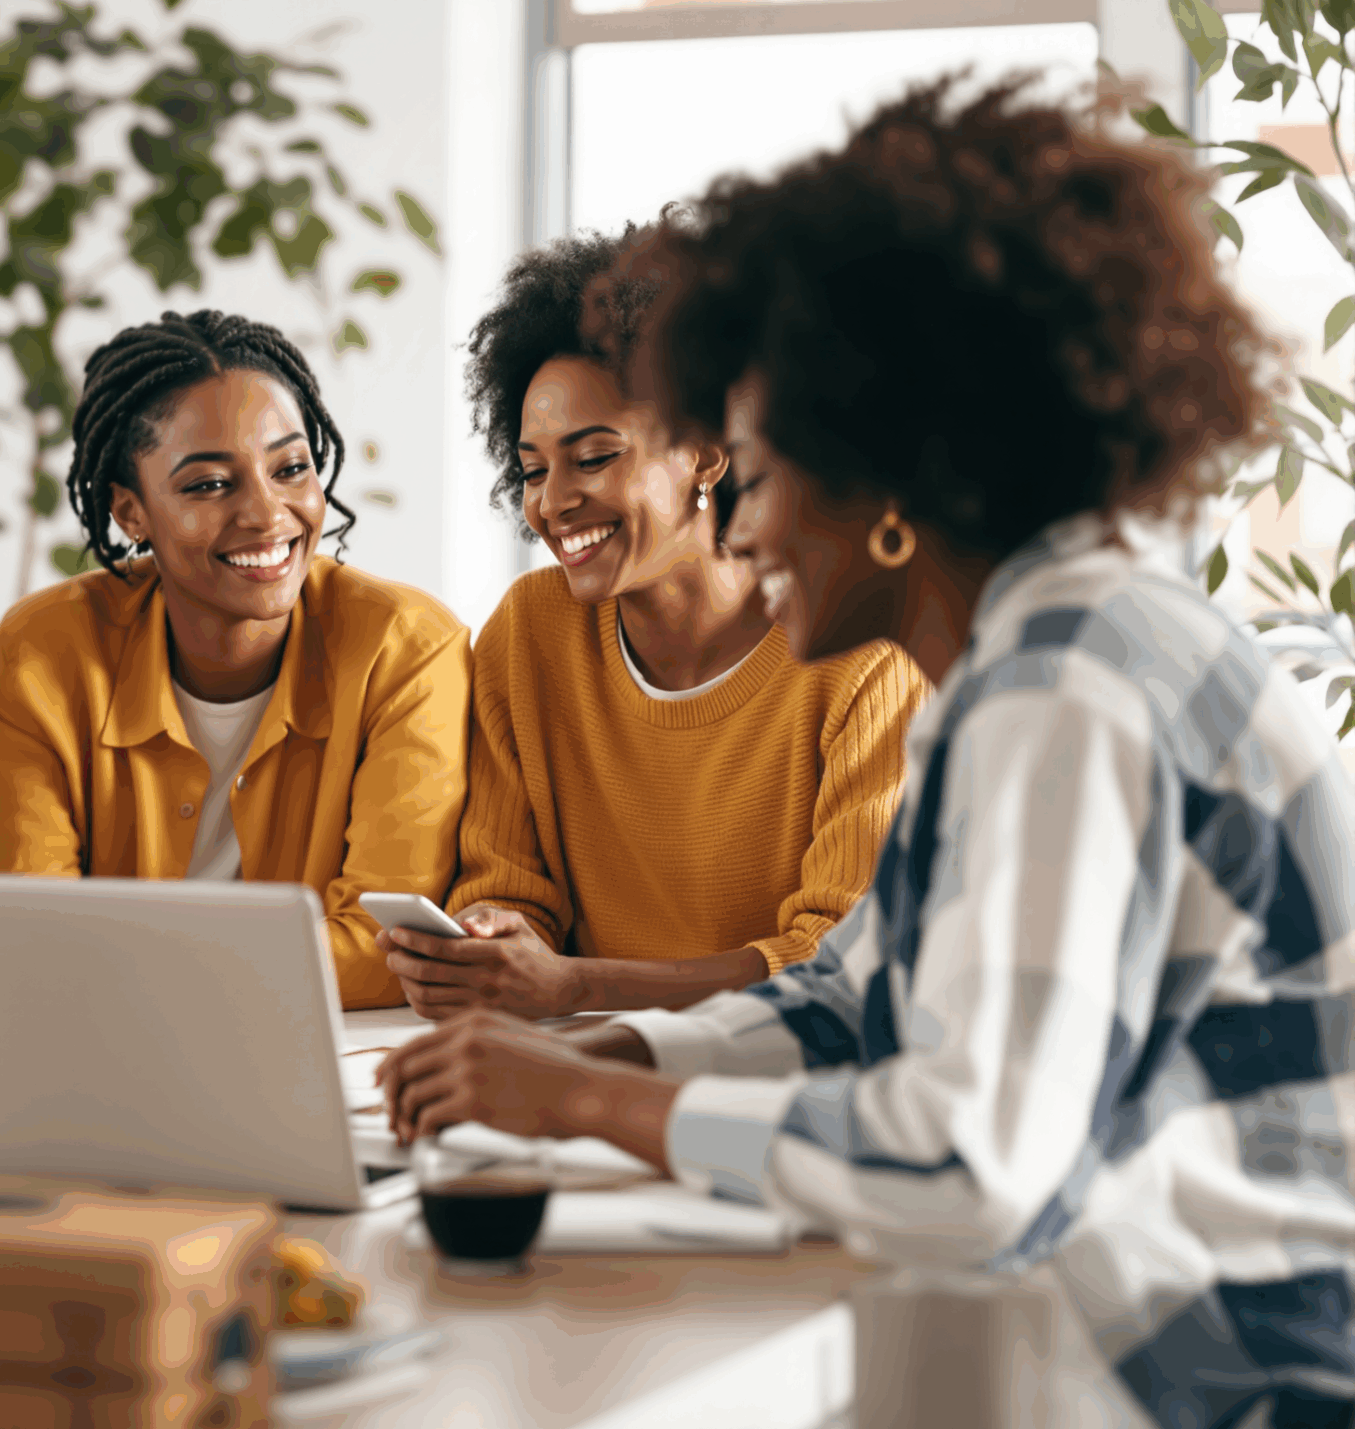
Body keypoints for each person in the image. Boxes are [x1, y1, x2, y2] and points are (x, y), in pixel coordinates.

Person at [380, 78, 1351, 1425]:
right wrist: (612, 1056)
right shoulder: (1035, 651)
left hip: (1225, 1383)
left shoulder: (1067, 692)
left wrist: (600, 1110)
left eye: (763, 475)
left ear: (889, 485)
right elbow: (851, 998)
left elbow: (969, 1166)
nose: (751, 531)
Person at [379, 228, 925, 1023]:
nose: (553, 501)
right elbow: (507, 883)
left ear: (708, 452)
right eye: (533, 469)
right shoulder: (530, 633)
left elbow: (838, 959)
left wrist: (579, 985)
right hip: (567, 1064)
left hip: (776, 1083)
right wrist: (495, 937)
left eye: (594, 457)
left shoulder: (860, 655)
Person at [0, 310, 471, 1009]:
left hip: (332, 1058)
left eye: (290, 468)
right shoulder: (46, 653)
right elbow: (28, 934)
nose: (268, 516)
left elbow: (390, 948)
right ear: (131, 512)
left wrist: (127, 973)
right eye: (209, 485)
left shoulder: (406, 651)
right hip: (104, 1056)